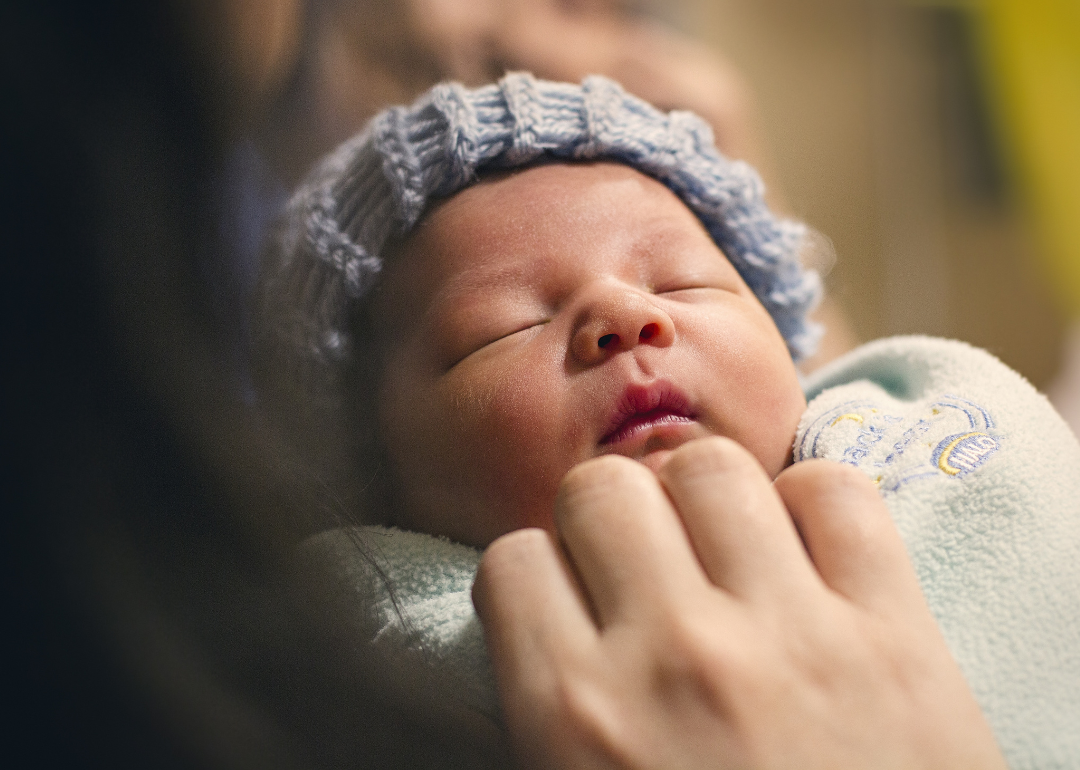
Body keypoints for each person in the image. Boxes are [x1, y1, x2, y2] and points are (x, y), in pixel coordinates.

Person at [257, 74, 1080, 769]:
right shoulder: (371, 648)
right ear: (372, 480)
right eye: (499, 328)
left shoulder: (905, 433)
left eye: (685, 282)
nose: (624, 312)